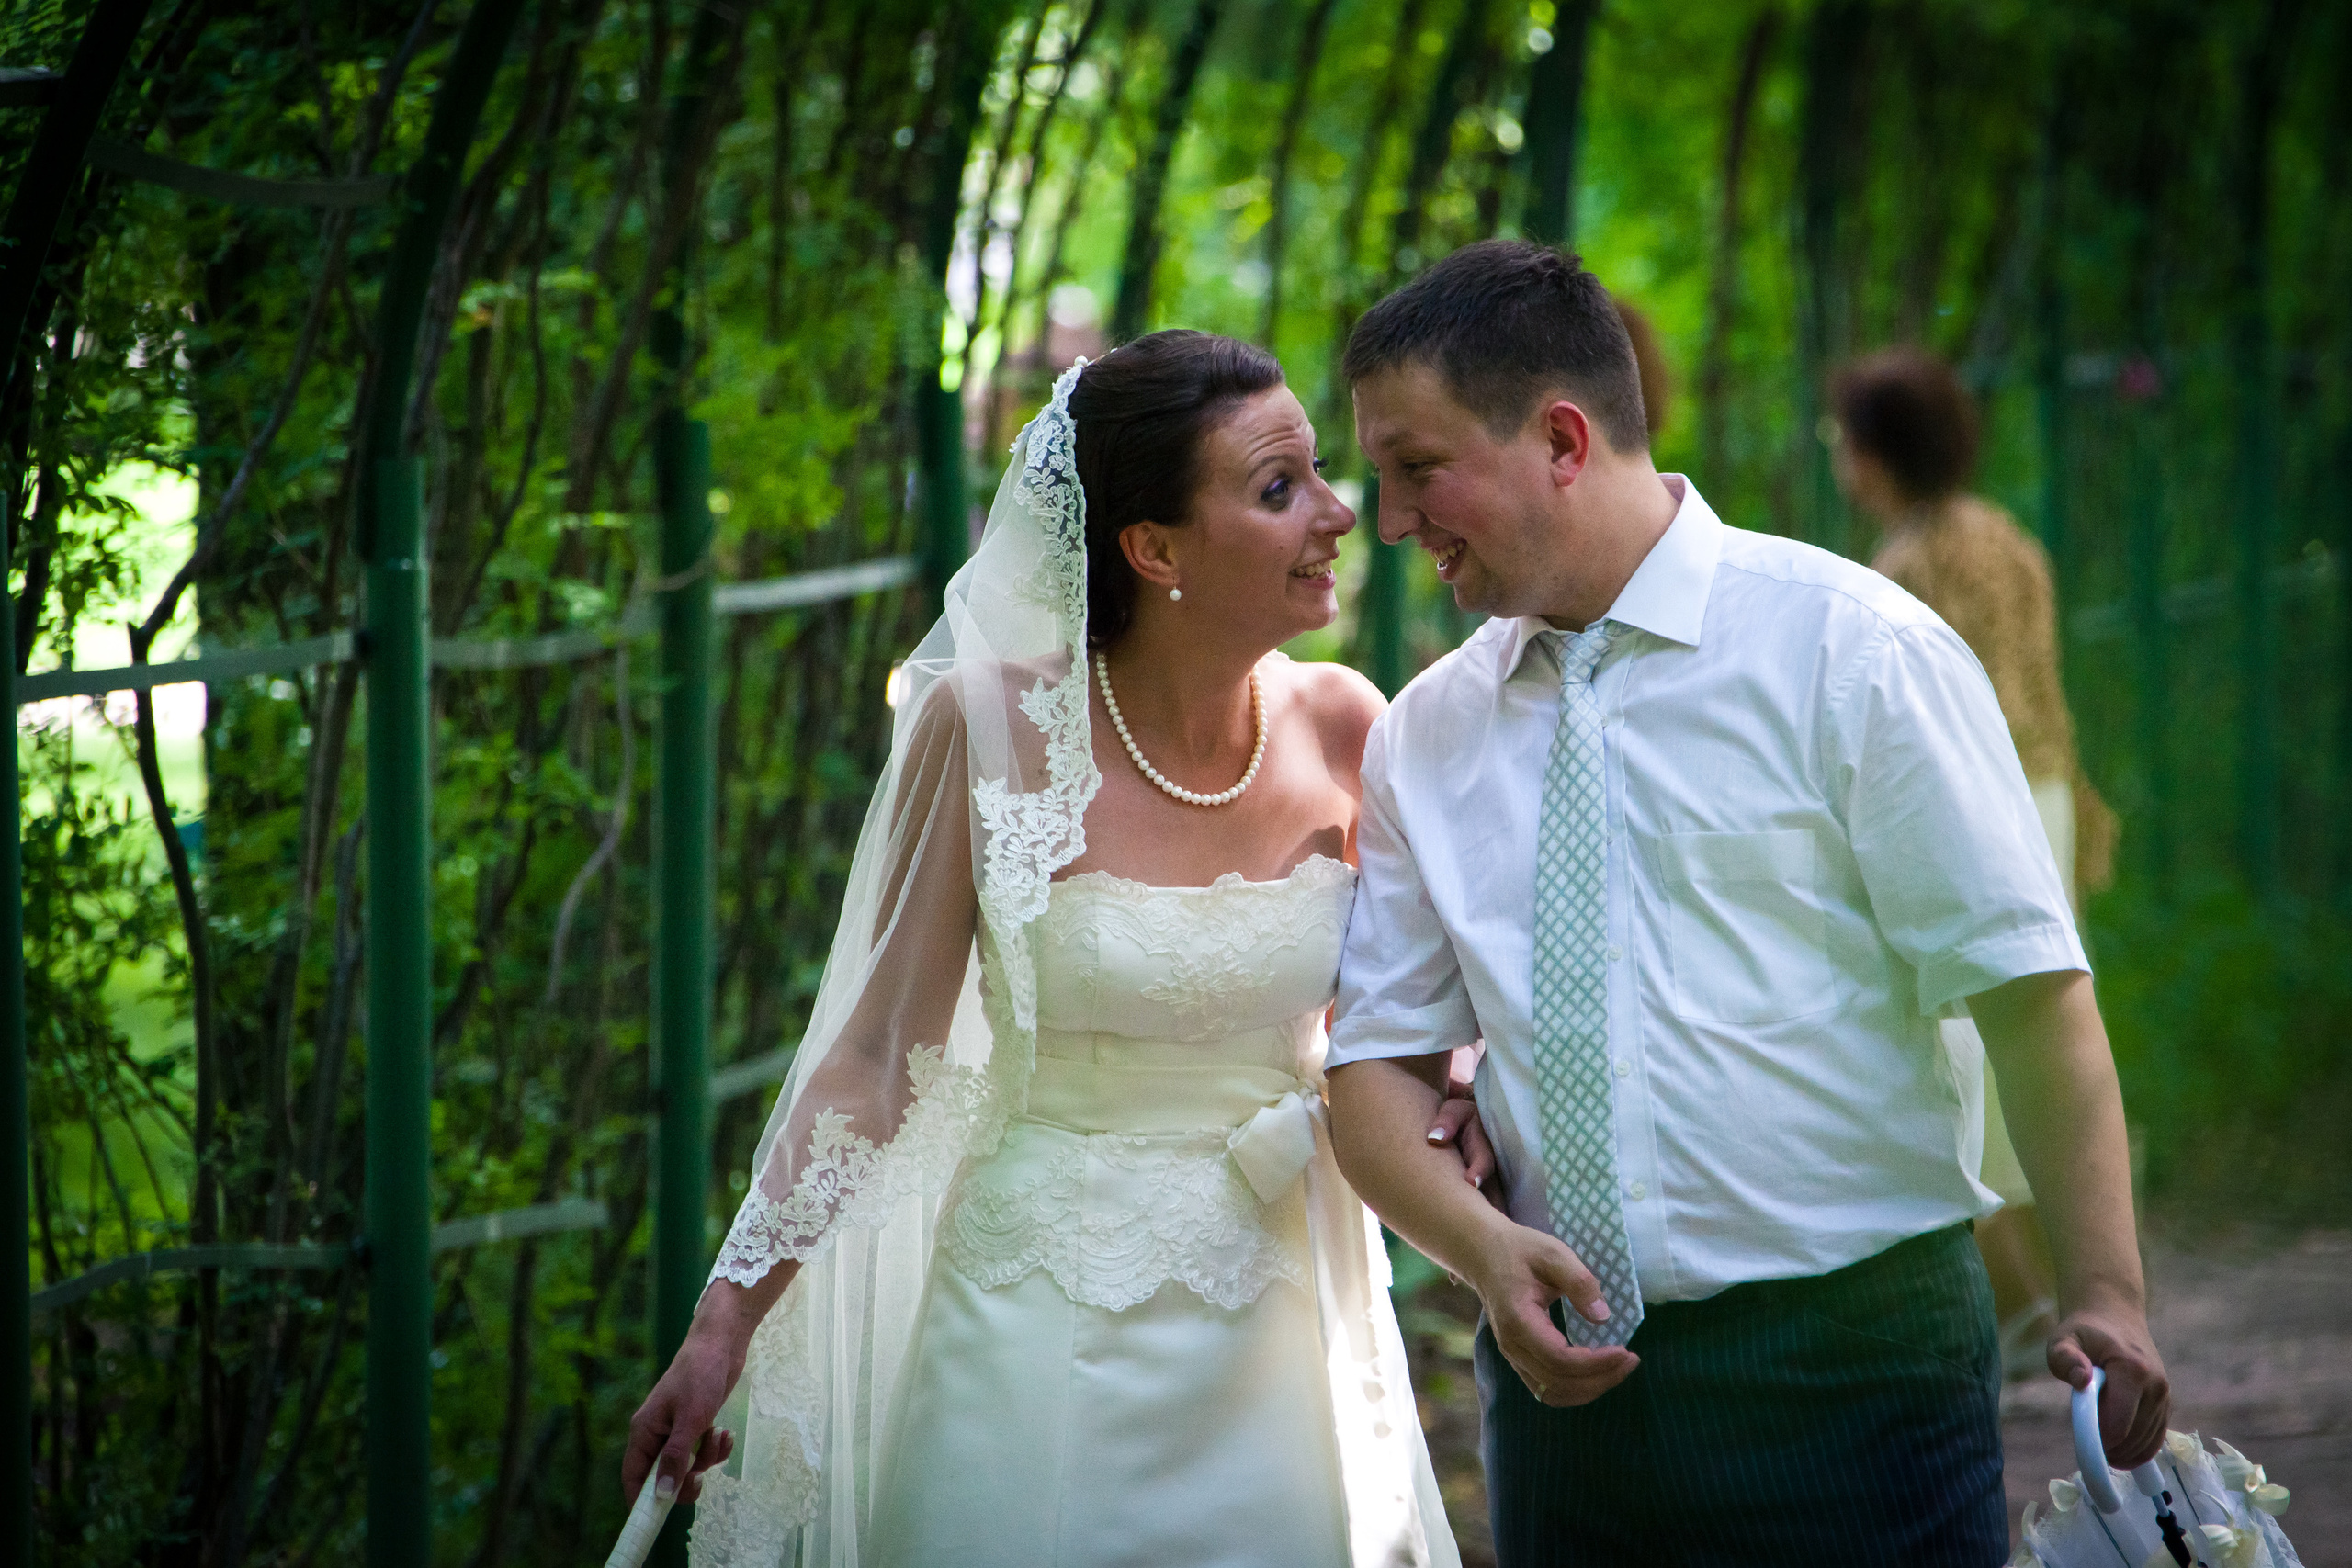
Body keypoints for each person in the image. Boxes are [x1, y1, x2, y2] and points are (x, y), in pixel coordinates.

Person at [1321, 240, 2171, 1565]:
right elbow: (1374, 1063)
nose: (1387, 516)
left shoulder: (1854, 650)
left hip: (1860, 1371)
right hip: (1564, 1404)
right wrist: (1486, 1252)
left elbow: (2030, 991)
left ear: (1559, 438)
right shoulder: (1423, 734)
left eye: (1416, 467)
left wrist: (2108, 1291)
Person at [623, 330, 1465, 1567]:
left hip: (1287, 1321)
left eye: (1320, 472)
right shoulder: (987, 727)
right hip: (1034, 1315)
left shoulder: (1351, 726)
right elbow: (873, 1057)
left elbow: (1421, 1039)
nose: (1340, 513)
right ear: (1155, 547)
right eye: (1280, 487)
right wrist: (723, 1321)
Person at [1830, 344, 2120, 1377]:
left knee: (1966, 1047)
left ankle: (2032, 1311)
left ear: (1873, 454)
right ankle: (2068, 1293)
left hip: (1967, 809)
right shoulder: (2007, 538)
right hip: (2038, 794)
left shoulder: (1899, 568)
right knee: (2040, 1014)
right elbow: (2044, 691)